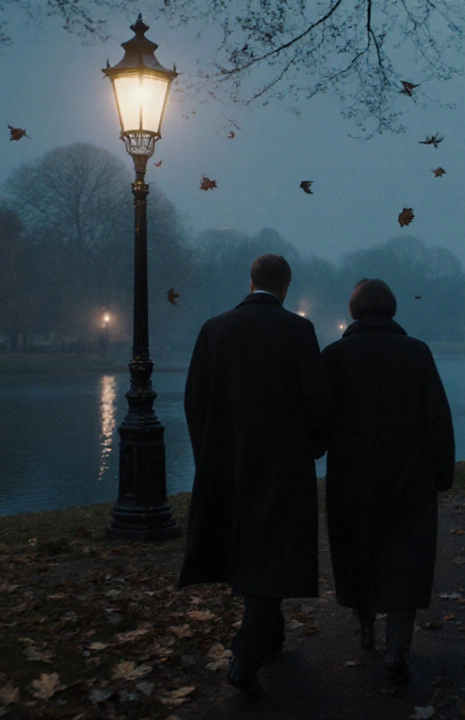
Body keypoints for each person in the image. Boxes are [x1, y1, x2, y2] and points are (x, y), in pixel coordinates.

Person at [177, 254, 332, 699]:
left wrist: (207, 451)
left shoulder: (215, 329)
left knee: (252, 550)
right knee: (275, 549)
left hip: (229, 459)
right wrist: (315, 446)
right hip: (283, 462)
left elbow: (194, 398)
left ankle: (271, 639)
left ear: (251, 283)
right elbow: (316, 398)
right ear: (285, 286)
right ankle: (246, 652)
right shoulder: (298, 331)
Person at [321, 278, 455, 686]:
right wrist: (441, 473)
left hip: (352, 476)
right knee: (405, 557)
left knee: (359, 551)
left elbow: (321, 421)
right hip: (408, 474)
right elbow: (438, 418)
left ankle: (366, 630)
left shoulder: (334, 357)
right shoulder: (417, 353)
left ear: (353, 311)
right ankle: (398, 646)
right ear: (392, 309)